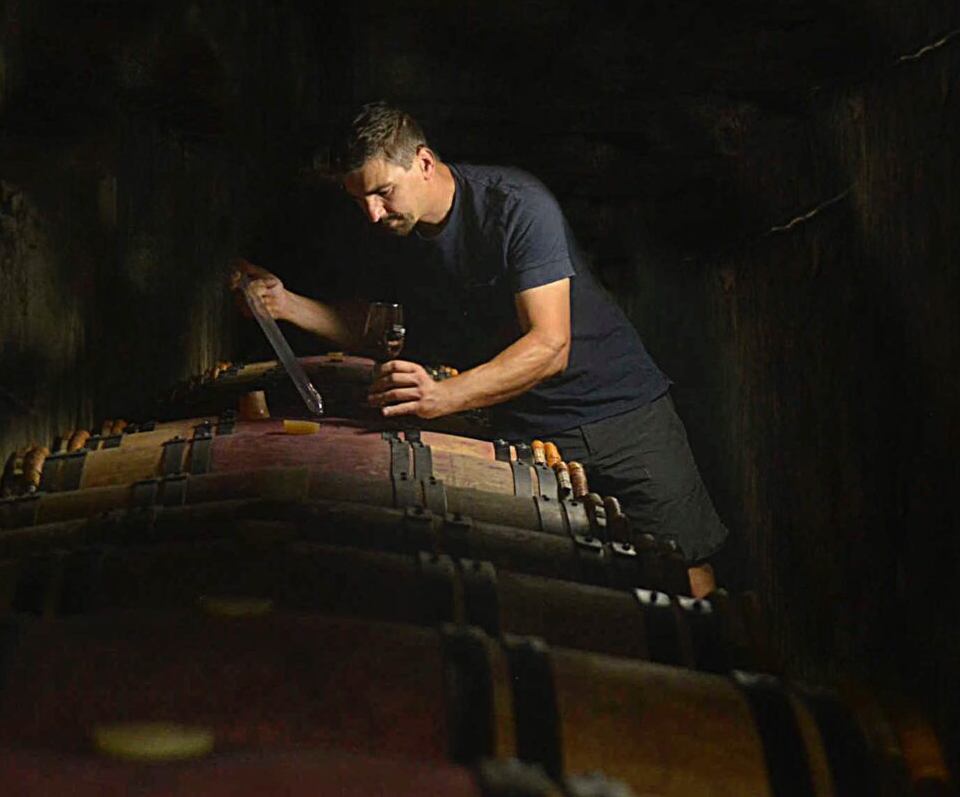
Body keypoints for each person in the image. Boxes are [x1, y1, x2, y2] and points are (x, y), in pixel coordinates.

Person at [232, 102, 728, 598]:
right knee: (564, 591)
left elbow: (550, 345)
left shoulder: (514, 205)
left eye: (383, 192)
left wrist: (444, 396)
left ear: (424, 163)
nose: (373, 213)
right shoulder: (396, 231)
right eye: (359, 199)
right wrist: (287, 305)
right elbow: (382, 329)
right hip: (524, 433)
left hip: (619, 416)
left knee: (683, 571)